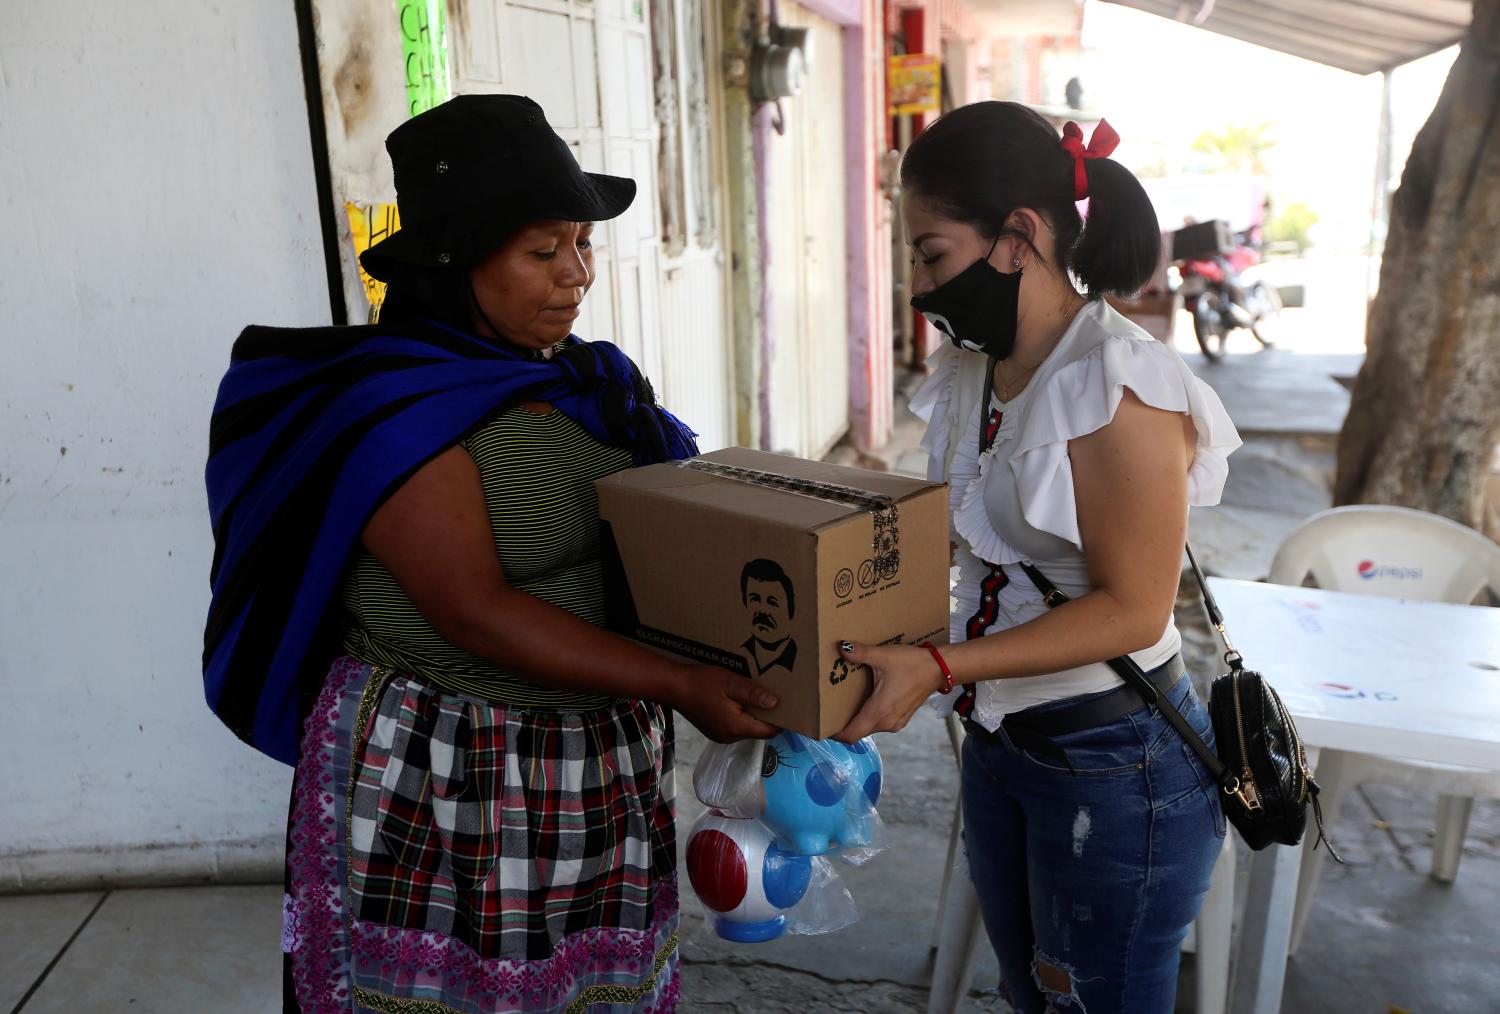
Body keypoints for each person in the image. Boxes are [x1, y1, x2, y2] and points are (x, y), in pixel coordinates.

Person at [203, 95, 778, 1014]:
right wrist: (677, 683)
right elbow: (472, 608)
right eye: (543, 251)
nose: (577, 274)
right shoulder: (396, 410)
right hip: (450, 776)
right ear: (453, 261)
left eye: (581, 245)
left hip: (592, 767)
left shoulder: (588, 382)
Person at [835, 103, 1242, 1013]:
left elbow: (1133, 611)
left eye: (932, 254)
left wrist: (937, 665)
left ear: (1017, 237)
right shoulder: (979, 368)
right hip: (1001, 743)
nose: (918, 284)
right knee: (1032, 997)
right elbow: (957, 533)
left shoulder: (1120, 382)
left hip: (1114, 760)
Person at [740, 559, 797, 676]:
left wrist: (846, 647)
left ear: (790, 609)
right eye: (754, 599)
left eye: (772, 602)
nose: (762, 610)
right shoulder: (739, 653)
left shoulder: (804, 658)